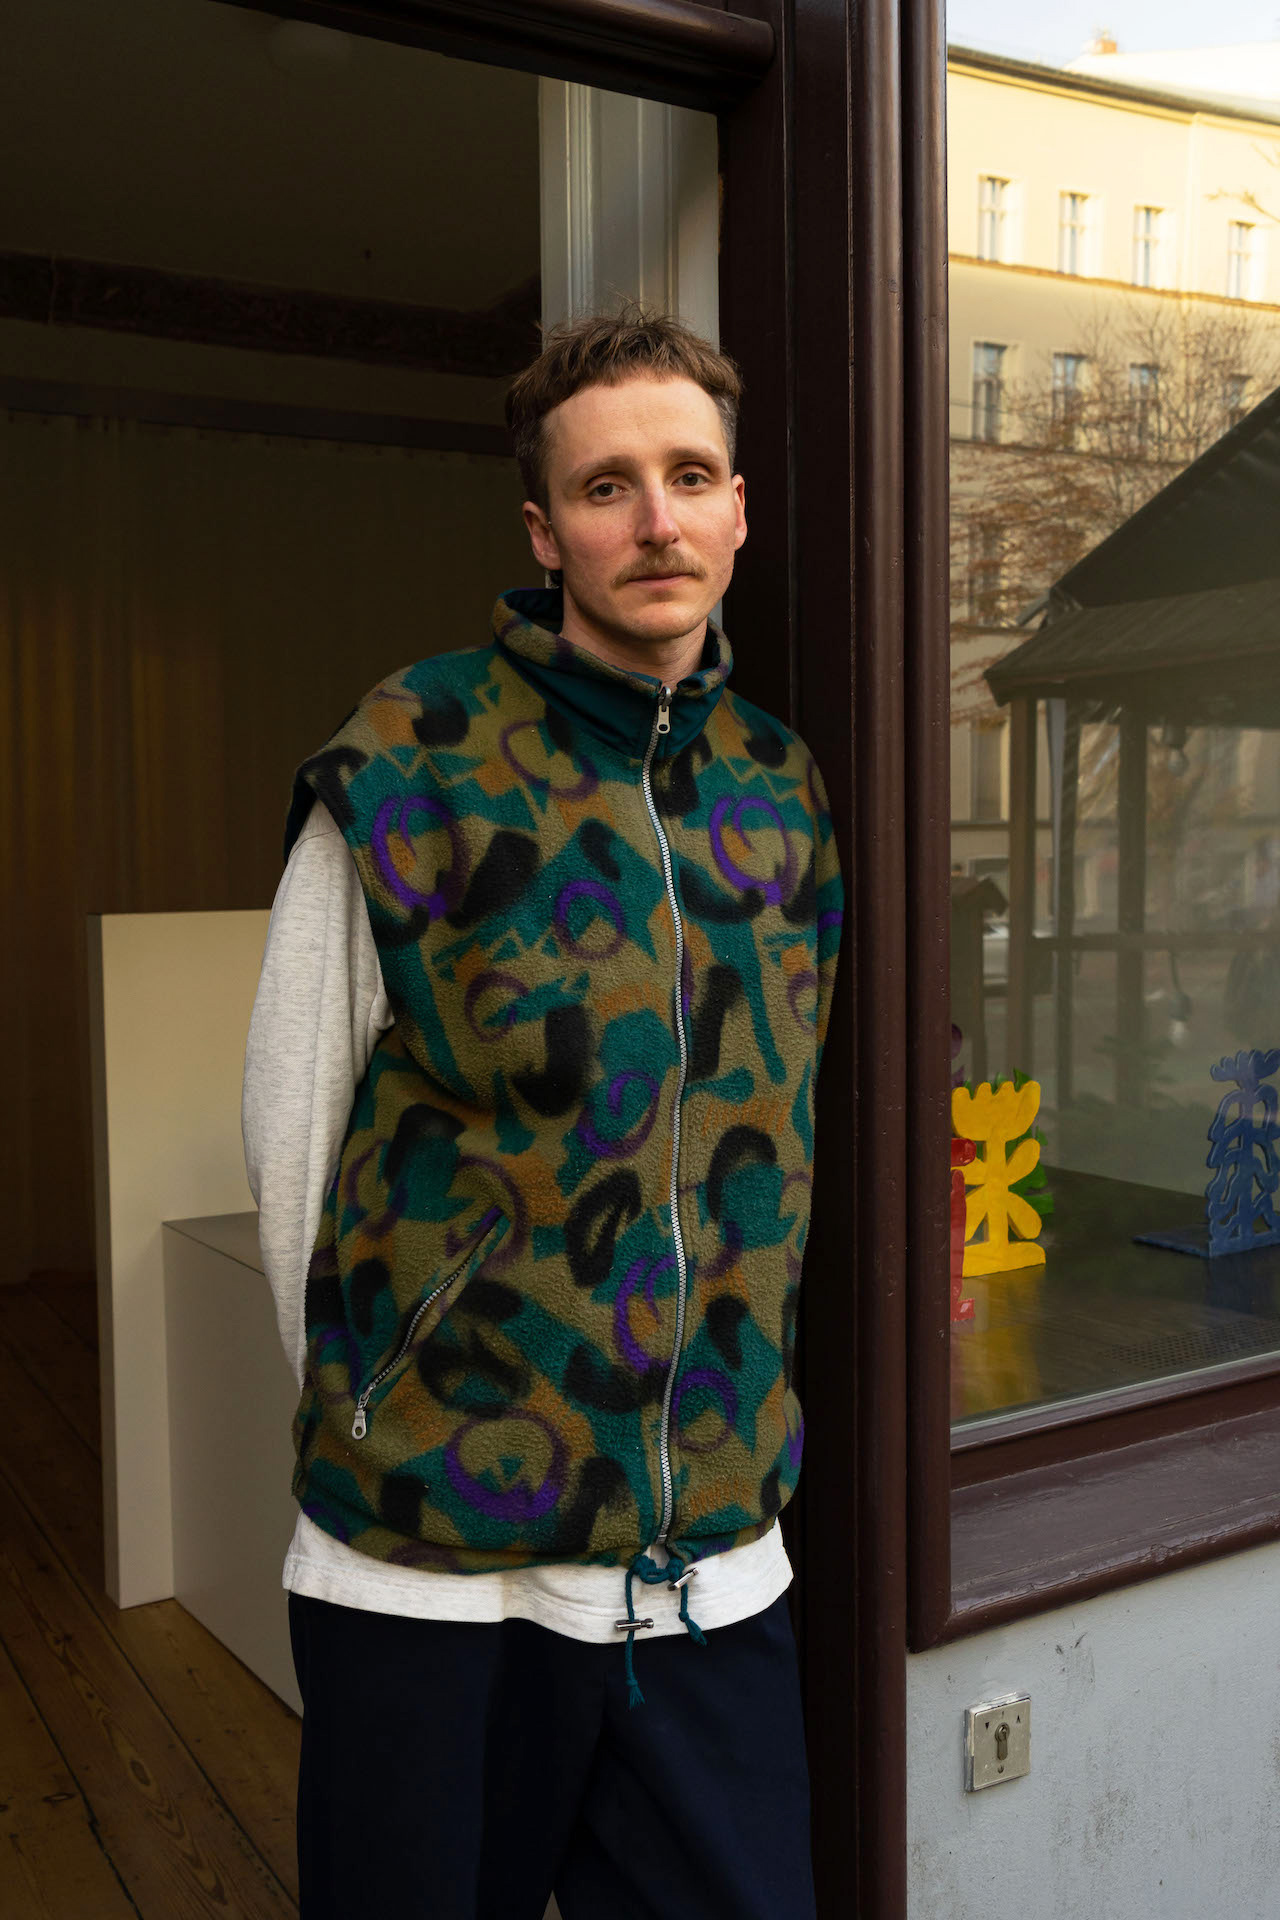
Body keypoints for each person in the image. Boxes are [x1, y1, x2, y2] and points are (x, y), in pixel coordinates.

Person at [242, 308, 843, 1920]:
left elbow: (784, 1146)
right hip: (437, 1574)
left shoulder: (781, 792)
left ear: (738, 508)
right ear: (543, 528)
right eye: (605, 486)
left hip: (712, 1557)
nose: (656, 521)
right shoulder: (410, 761)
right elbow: (291, 1140)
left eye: (690, 476)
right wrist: (384, 1411)